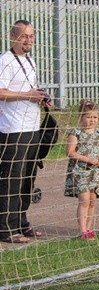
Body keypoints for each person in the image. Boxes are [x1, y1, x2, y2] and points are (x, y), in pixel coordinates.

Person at [0, 20, 51, 244]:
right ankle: (5, 228)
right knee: (11, 179)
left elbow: (27, 90)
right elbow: (1, 92)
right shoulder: (5, 60)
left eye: (31, 36)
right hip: (13, 130)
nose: (28, 40)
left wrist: (41, 98)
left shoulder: (30, 61)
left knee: (27, 179)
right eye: (24, 36)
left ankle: (21, 222)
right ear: (13, 37)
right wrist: (27, 96)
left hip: (32, 127)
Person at [65, 100, 99, 240]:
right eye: (88, 117)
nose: (92, 120)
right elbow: (70, 152)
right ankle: (82, 230)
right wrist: (88, 159)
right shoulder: (76, 132)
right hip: (80, 171)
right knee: (83, 200)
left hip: (95, 172)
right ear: (81, 117)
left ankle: (89, 228)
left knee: (92, 200)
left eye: (94, 117)